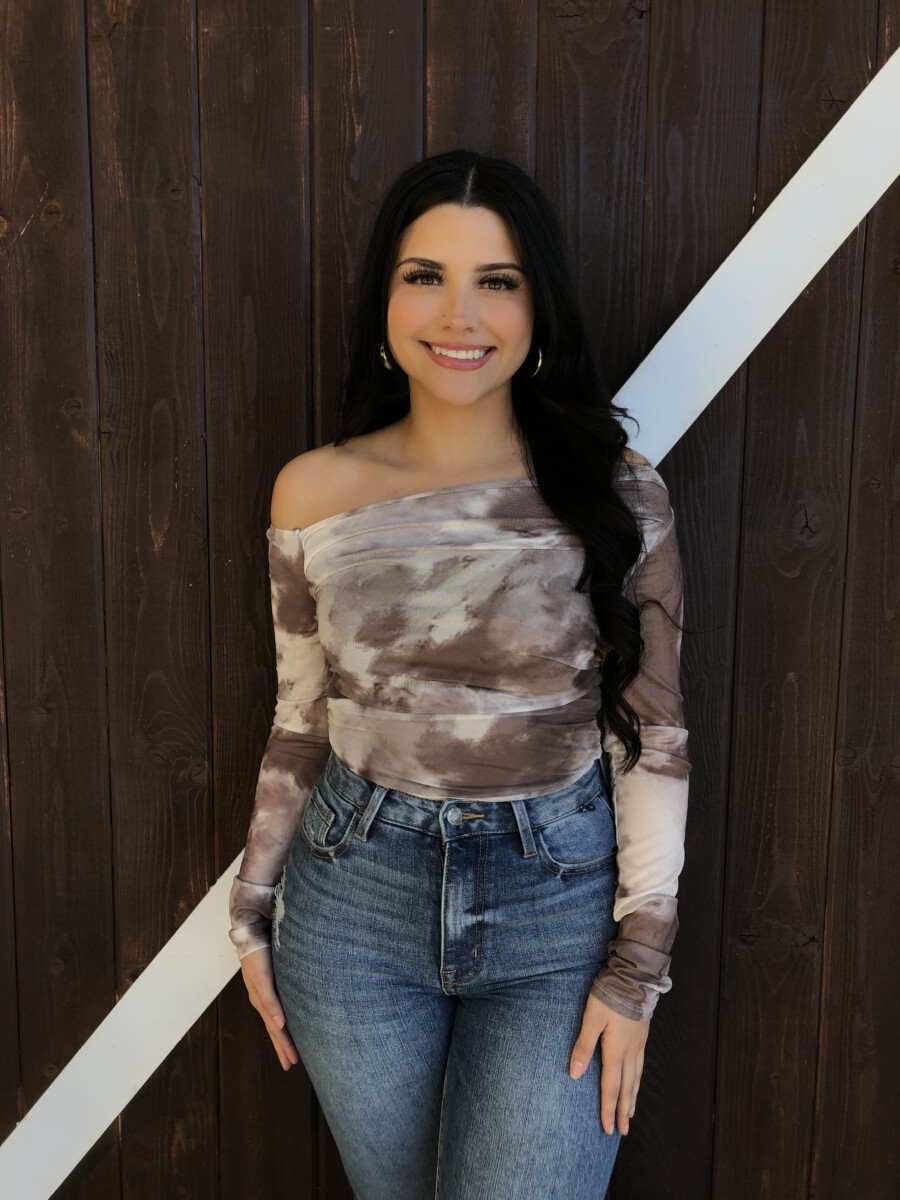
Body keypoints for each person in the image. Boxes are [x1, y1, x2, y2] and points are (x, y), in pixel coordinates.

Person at [228, 149, 690, 1200]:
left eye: (498, 280)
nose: (459, 314)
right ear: (385, 300)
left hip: (557, 911)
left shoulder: (618, 493)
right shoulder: (312, 493)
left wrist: (639, 968)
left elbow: (656, 736)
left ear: (538, 306)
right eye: (425, 275)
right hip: (353, 903)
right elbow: (302, 720)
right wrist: (251, 909)